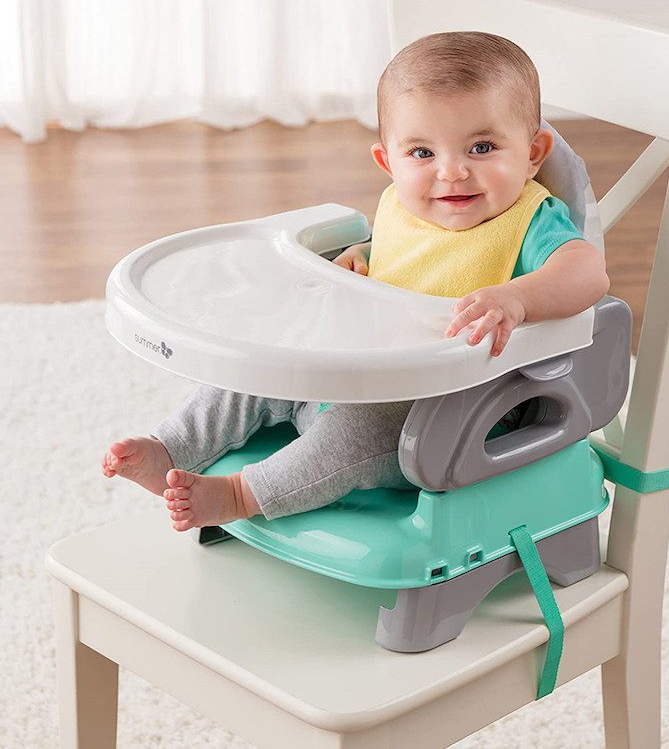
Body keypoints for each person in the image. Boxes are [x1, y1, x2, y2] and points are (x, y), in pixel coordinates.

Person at [101, 31, 609, 532]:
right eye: (422, 153)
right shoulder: (400, 207)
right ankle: (171, 445)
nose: (452, 172)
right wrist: (363, 257)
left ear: (533, 152)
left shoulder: (530, 219)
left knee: (352, 435)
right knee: (247, 377)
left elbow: (587, 270)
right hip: (345, 374)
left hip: (446, 414)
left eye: (481, 147)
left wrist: (517, 297)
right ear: (387, 162)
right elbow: (413, 258)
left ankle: (242, 494)